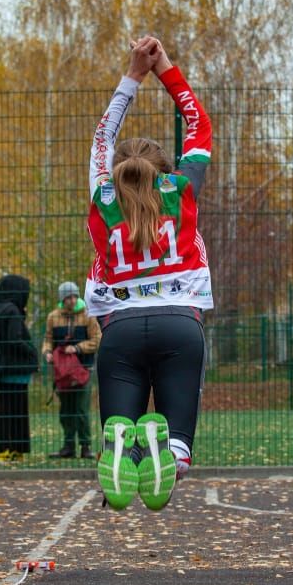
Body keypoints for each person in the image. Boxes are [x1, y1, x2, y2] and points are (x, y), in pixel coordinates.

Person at [85, 36, 212, 512]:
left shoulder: (103, 199)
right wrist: (164, 70)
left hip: (120, 330)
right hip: (180, 323)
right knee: (178, 441)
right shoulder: (182, 193)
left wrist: (132, 76)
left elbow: (102, 139)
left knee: (123, 426)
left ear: (116, 171)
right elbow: (199, 126)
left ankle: (123, 446)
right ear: (165, 170)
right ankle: (173, 454)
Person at [0, 274, 38, 460]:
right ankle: (17, 449)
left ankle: (3, 449)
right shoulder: (13, 311)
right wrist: (31, 350)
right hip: (16, 370)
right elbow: (15, 339)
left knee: (3, 411)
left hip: (1, 370)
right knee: (18, 412)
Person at [42, 281, 101, 459]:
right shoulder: (54, 316)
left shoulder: (88, 315)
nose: (72, 300)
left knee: (82, 409)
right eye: (68, 297)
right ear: (62, 299)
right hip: (62, 372)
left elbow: (97, 339)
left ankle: (85, 446)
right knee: (66, 409)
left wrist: (77, 348)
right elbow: (48, 339)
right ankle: (68, 446)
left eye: (75, 296)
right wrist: (47, 352)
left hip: (83, 369)